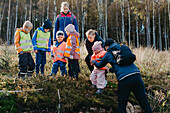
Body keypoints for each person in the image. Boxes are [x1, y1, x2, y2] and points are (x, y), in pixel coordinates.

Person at [92, 39, 153, 113]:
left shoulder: (108, 54)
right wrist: (109, 70)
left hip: (124, 80)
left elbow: (99, 65)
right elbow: (120, 64)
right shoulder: (122, 49)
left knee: (122, 104)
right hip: (137, 76)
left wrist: (93, 61)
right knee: (144, 103)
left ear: (107, 46)